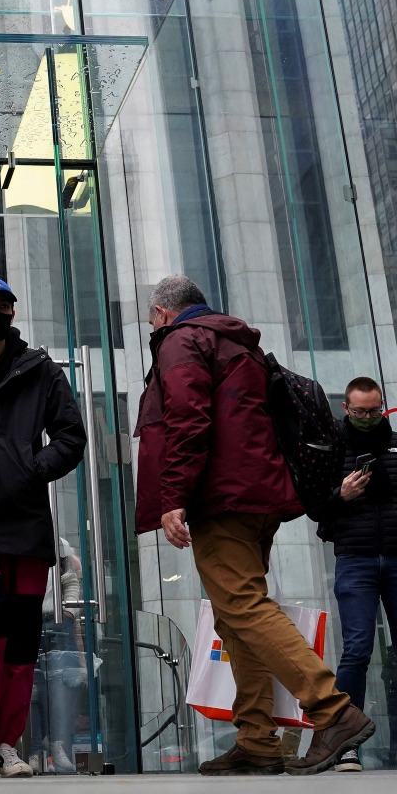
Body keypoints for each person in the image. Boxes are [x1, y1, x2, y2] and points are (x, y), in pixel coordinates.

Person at [136, 274, 373, 776]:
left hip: (224, 497)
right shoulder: (238, 344)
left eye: (151, 316)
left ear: (161, 312)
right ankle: (257, 737)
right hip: (259, 493)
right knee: (233, 614)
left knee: (243, 604)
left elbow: (188, 419)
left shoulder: (182, 341)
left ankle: (333, 711)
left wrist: (173, 496)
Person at [0, 275, 87, 777]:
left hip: (27, 525)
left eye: (6, 305)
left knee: (23, 640)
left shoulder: (42, 371)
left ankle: (9, 743)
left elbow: (71, 436)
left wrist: (32, 468)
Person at [316, 376, 397, 772]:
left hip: (396, 557)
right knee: (357, 650)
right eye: (361, 411)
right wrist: (340, 495)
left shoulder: (396, 444)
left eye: (374, 410)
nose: (368, 417)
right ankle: (345, 745)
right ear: (346, 408)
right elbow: (315, 509)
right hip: (356, 559)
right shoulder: (333, 448)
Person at [31, 539, 84, 775]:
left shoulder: (59, 543)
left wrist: (69, 613)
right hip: (29, 618)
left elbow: (70, 580)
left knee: (62, 687)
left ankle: (58, 746)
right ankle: (34, 751)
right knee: (33, 691)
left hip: (57, 621)